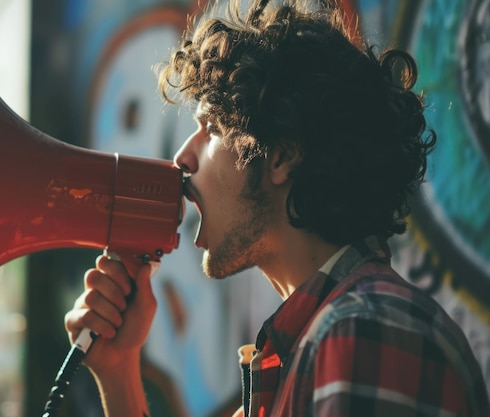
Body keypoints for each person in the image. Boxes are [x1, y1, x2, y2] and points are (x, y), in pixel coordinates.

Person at [64, 0, 490, 416]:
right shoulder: (311, 345)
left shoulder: (359, 332)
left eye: (210, 128)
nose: (181, 157)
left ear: (283, 155)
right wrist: (119, 370)